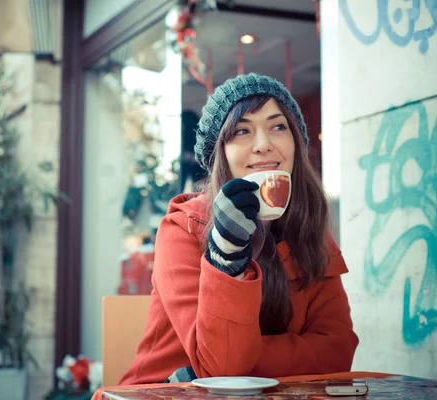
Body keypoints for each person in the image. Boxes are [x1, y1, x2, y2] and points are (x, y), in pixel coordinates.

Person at [119, 73, 359, 385]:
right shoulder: (183, 228)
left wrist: (225, 368)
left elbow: (337, 351)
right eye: (242, 131)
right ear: (220, 154)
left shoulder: (310, 230)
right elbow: (225, 363)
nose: (263, 145)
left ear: (296, 143)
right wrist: (226, 254)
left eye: (277, 126)